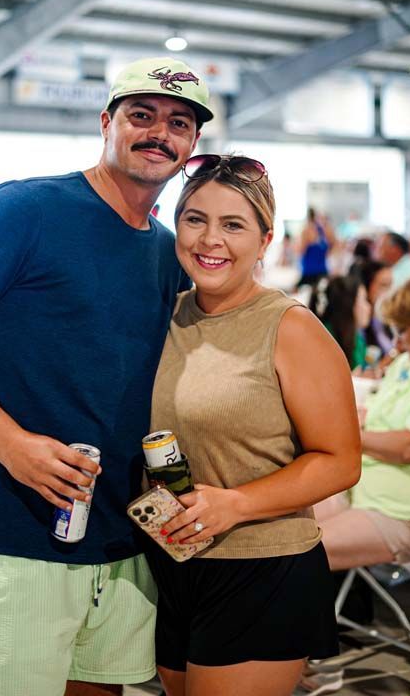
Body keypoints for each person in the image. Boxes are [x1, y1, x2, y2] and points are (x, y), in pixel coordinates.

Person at [0, 56, 213, 696]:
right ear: (106, 122)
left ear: (193, 145)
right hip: (15, 525)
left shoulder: (166, 252)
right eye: (141, 116)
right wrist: (14, 446)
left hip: (122, 531)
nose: (159, 133)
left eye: (178, 123)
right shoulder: (28, 209)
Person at [146, 154, 361, 696]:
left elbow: (340, 461)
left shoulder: (290, 328)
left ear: (265, 241)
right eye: (195, 219)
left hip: (262, 566)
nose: (209, 239)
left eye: (233, 224)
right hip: (171, 560)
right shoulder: (163, 316)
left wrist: (234, 504)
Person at [300, 278, 410, 692]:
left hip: (401, 512)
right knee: (281, 528)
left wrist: (346, 434)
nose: (398, 340)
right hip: (361, 486)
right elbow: (373, 414)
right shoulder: (406, 363)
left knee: (302, 551)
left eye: (405, 330)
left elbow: (408, 447)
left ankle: (318, 657)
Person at [309, 274, 372, 371]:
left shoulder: (357, 338)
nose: (369, 307)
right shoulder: (326, 339)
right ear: (348, 304)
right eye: (364, 300)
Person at [297, 206, 335, 287]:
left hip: (309, 272)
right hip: (323, 271)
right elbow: (333, 244)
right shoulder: (324, 230)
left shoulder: (306, 231)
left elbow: (301, 251)